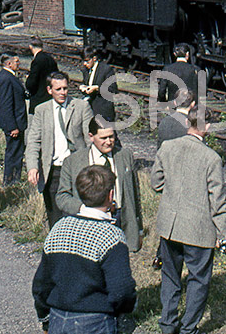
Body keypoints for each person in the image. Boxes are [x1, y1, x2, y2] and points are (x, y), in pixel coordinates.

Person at [152, 111, 226, 334]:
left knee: (170, 275)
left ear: (188, 122)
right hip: (198, 229)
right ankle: (188, 328)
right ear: (207, 127)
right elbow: (217, 201)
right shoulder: (211, 158)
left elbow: (156, 183)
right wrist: (224, 234)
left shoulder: (167, 147)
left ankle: (168, 324)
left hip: (169, 227)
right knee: (198, 279)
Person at [32, 164, 137, 334]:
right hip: (96, 321)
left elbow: (41, 284)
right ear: (110, 195)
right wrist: (124, 311)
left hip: (58, 318)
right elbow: (122, 290)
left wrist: (45, 318)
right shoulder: (111, 236)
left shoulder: (59, 228)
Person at [59, 120, 143, 251]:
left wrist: (139, 229)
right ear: (91, 136)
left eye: (111, 136)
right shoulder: (73, 162)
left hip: (120, 219)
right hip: (89, 222)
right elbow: (62, 197)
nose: (109, 142)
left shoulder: (125, 155)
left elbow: (135, 193)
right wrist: (83, 208)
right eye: (103, 138)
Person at [26, 71, 94, 228]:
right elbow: (34, 141)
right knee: (55, 217)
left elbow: (90, 139)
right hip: (53, 171)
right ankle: (57, 249)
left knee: (79, 213)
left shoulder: (81, 107)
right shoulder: (41, 110)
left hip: (77, 169)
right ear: (50, 90)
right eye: (58, 89)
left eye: (65, 88)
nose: (63, 92)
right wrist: (32, 167)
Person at [0, 53, 28, 184]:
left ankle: (14, 179)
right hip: (14, 124)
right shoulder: (6, 78)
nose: (19, 63)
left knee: (17, 152)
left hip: (17, 123)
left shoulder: (9, 76)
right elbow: (6, 104)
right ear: (9, 64)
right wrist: (12, 126)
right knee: (13, 153)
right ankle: (10, 181)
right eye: (16, 61)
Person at [80, 47, 116, 122]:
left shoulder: (106, 70)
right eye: (83, 61)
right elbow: (87, 83)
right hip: (90, 108)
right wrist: (83, 87)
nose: (84, 64)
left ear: (94, 58)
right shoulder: (85, 70)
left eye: (87, 61)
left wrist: (97, 88)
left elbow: (113, 89)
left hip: (103, 109)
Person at [26, 37, 59, 112]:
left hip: (39, 99)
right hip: (50, 98)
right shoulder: (51, 59)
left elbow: (31, 83)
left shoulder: (37, 61)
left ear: (30, 46)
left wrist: (28, 78)